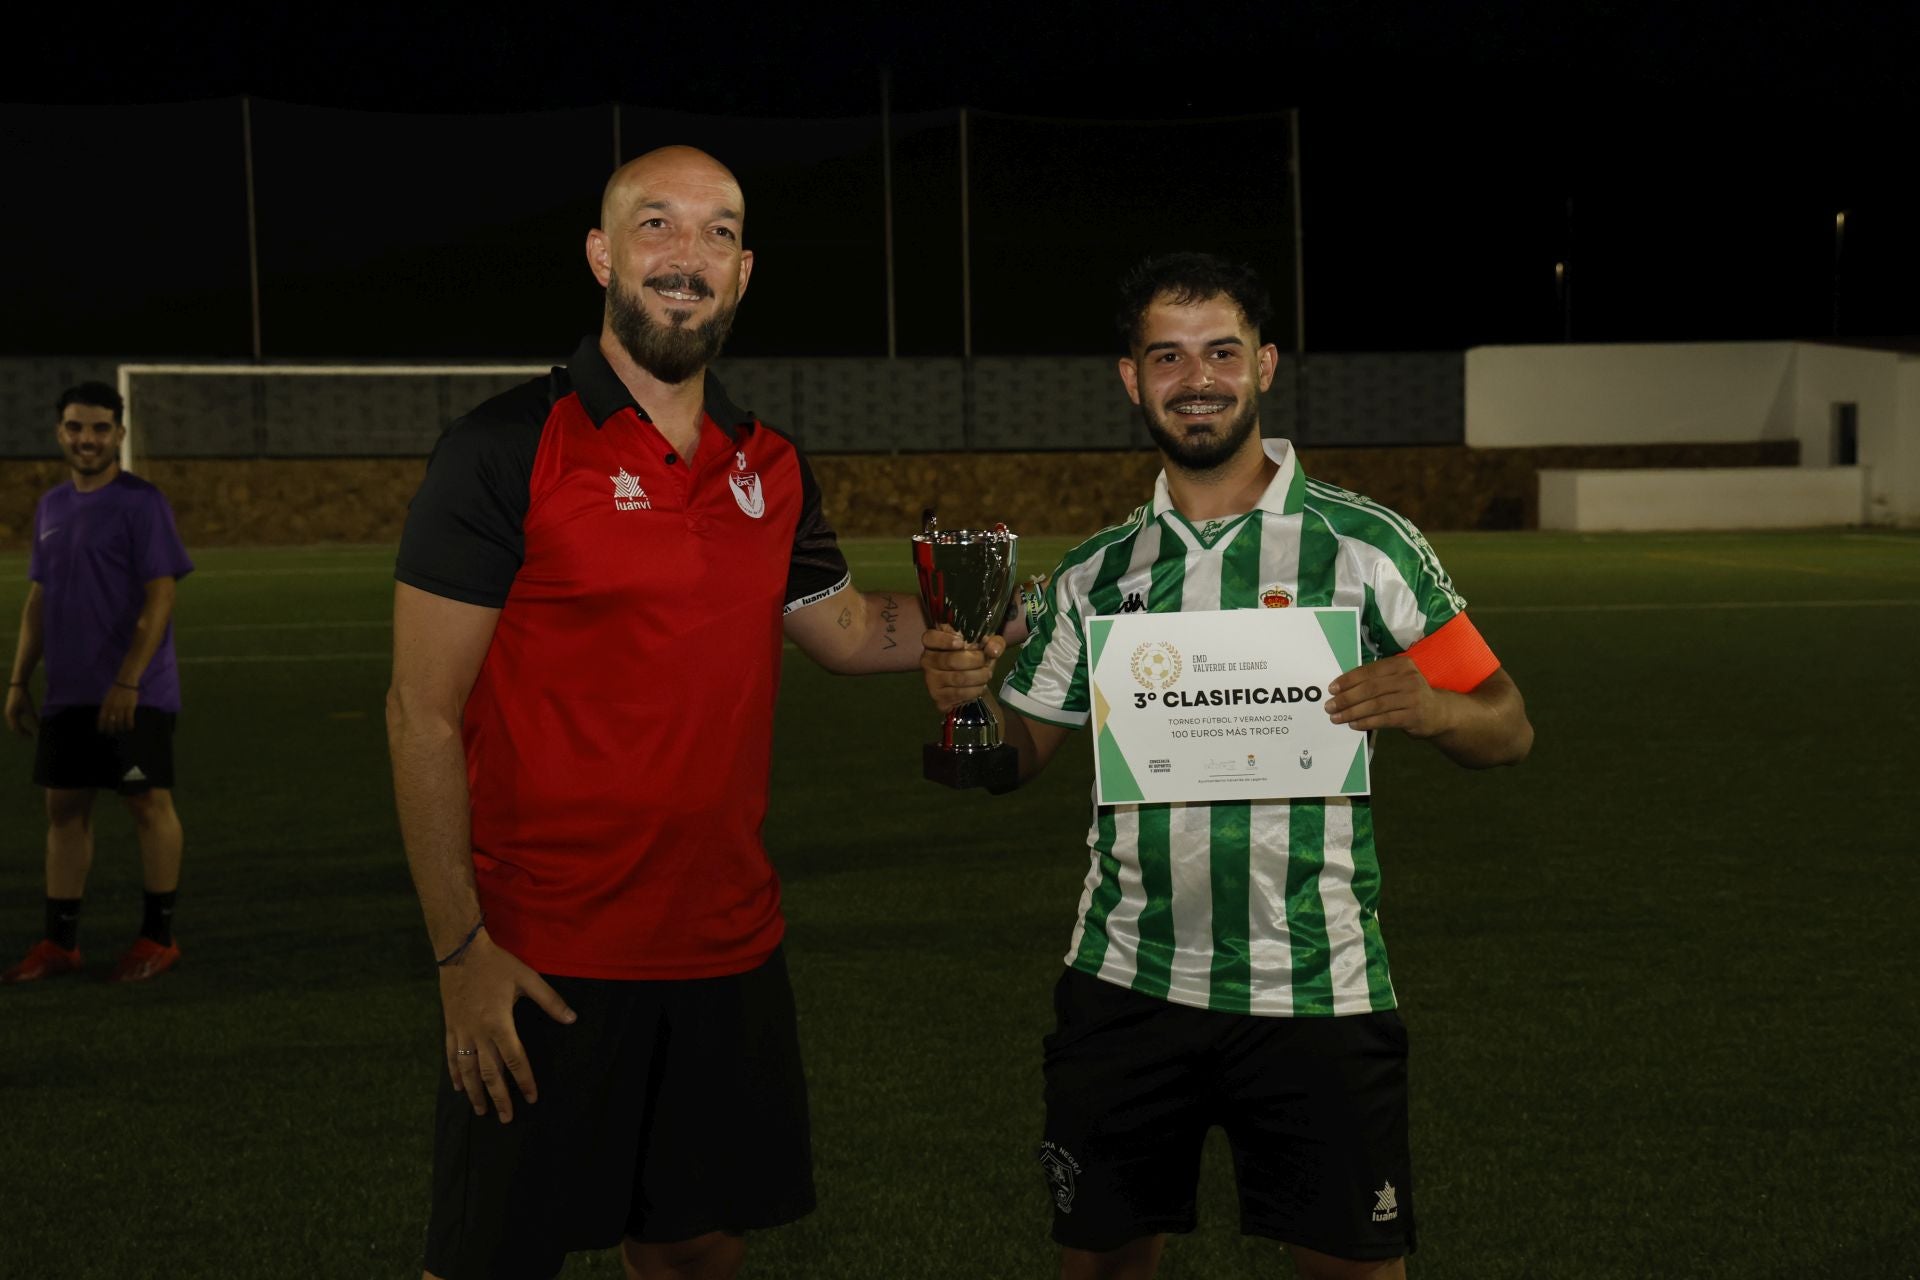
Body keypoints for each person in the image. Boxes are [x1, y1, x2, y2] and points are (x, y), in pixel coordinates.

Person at [387, 145, 946, 1280]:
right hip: (543, 955)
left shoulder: (771, 464)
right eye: (657, 225)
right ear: (602, 253)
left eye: (718, 233)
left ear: (744, 272)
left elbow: (843, 632)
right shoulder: (502, 449)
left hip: (724, 952)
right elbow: (420, 713)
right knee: (491, 1260)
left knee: (695, 1249)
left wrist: (979, 623)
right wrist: (460, 952)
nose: (687, 256)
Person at [921, 252, 1534, 1280]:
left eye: (1220, 351)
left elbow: (1508, 723)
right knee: (1103, 1267)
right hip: (1124, 981)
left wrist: (1429, 705)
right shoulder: (1095, 572)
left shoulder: (1365, 544)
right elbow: (1017, 754)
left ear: (1265, 365)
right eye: (1167, 354)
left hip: (1318, 982)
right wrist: (965, 702)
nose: (1195, 377)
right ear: (1132, 378)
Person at [4, 382, 193, 985]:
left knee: (146, 803)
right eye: (76, 427)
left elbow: (161, 594)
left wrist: (128, 681)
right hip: (68, 690)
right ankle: (60, 944)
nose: (87, 439)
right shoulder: (52, 507)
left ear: (119, 433)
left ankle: (158, 938)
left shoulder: (142, 502)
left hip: (134, 691)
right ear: (60, 431)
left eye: (100, 428)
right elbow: (39, 598)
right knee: (63, 809)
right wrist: (17, 681)